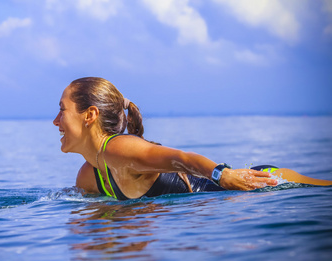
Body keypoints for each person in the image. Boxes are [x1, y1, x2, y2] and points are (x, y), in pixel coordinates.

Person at [53, 77, 332, 200]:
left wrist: (222, 175)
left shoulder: (120, 149)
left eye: (62, 110)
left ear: (89, 115)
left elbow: (182, 159)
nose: (56, 121)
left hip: (256, 188)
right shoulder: (88, 176)